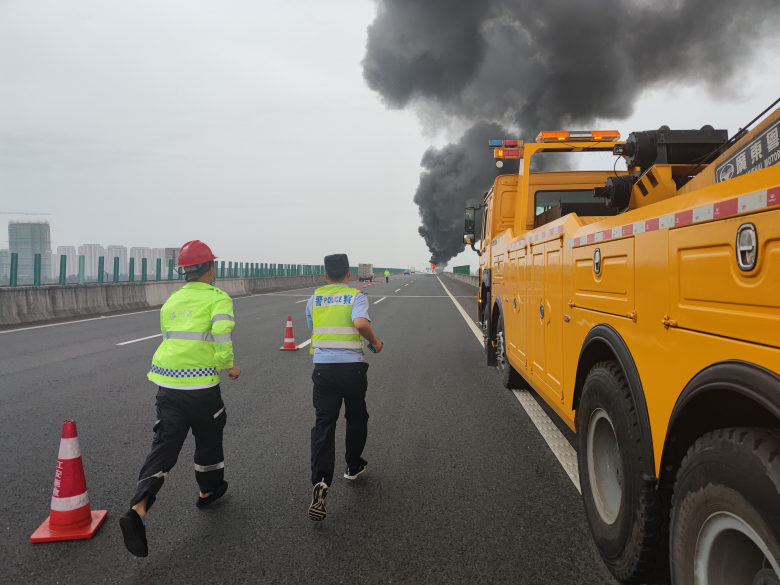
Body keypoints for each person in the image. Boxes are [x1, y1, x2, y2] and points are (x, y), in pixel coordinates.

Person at [119, 240, 241, 557]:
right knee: (210, 434)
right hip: (201, 386)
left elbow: (169, 339)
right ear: (211, 269)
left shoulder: (172, 301)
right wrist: (229, 365)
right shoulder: (218, 298)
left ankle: (139, 508)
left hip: (167, 385)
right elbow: (221, 334)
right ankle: (208, 489)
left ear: (185, 271)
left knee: (165, 444)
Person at [306, 253, 383, 521]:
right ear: (348, 274)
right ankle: (352, 465)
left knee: (324, 423)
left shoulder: (314, 298)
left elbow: (312, 328)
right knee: (356, 416)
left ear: (325, 275)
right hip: (352, 369)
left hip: (323, 370)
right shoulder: (355, 297)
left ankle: (320, 481)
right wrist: (375, 341)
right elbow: (360, 323)